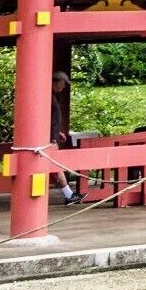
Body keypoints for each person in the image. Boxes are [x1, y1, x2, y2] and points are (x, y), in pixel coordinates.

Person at [49, 71, 83, 205]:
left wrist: (58, 132)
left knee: (56, 166)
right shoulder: (48, 96)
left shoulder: (52, 96)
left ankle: (69, 194)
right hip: (49, 139)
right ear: (57, 82)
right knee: (56, 166)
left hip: (52, 136)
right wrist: (52, 136)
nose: (64, 87)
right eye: (63, 84)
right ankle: (69, 195)